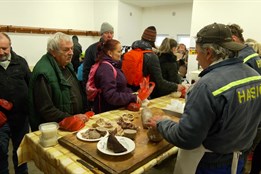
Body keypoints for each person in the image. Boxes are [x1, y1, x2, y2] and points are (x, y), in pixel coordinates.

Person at [147, 23, 261, 174]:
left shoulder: (207, 86)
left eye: (197, 53)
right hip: (239, 158)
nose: (197, 58)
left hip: (211, 163)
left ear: (208, 52)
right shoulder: (255, 76)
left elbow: (186, 138)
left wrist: (162, 123)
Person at [28, 32, 87, 131]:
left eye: (71, 48)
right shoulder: (43, 73)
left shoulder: (67, 65)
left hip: (72, 124)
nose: (71, 52)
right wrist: (70, 118)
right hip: (54, 129)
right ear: (53, 52)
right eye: (66, 49)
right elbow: (46, 109)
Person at [0, 32, 31, 174]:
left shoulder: (20, 62)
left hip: (20, 117)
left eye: (4, 48)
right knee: (0, 153)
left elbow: (30, 85)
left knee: (20, 153)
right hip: (1, 120)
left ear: (10, 46)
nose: (1, 52)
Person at [128, 26, 184, 98]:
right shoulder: (152, 57)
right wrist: (177, 86)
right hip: (144, 93)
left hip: (129, 93)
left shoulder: (129, 53)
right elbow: (159, 82)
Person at [92, 39, 141, 114]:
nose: (121, 54)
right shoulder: (106, 69)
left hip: (114, 109)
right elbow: (111, 96)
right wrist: (131, 97)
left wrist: (132, 93)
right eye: (119, 51)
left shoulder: (113, 65)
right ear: (110, 53)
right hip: (107, 112)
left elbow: (120, 87)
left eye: (121, 51)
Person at [82, 22, 114, 110]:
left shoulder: (115, 49)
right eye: (107, 33)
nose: (109, 35)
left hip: (111, 90)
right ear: (101, 34)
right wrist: (87, 91)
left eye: (111, 33)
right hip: (97, 91)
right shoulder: (92, 49)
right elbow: (86, 71)